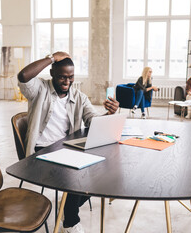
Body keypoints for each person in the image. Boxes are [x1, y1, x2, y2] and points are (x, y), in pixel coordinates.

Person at [17, 51, 119, 233]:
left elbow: (94, 122)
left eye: (71, 77)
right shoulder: (39, 89)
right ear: (52, 74)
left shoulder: (79, 97)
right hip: (41, 152)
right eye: (62, 77)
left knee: (99, 172)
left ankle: (67, 206)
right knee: (76, 175)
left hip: (66, 150)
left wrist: (110, 114)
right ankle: (70, 222)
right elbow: (23, 76)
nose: (67, 82)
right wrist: (51, 58)